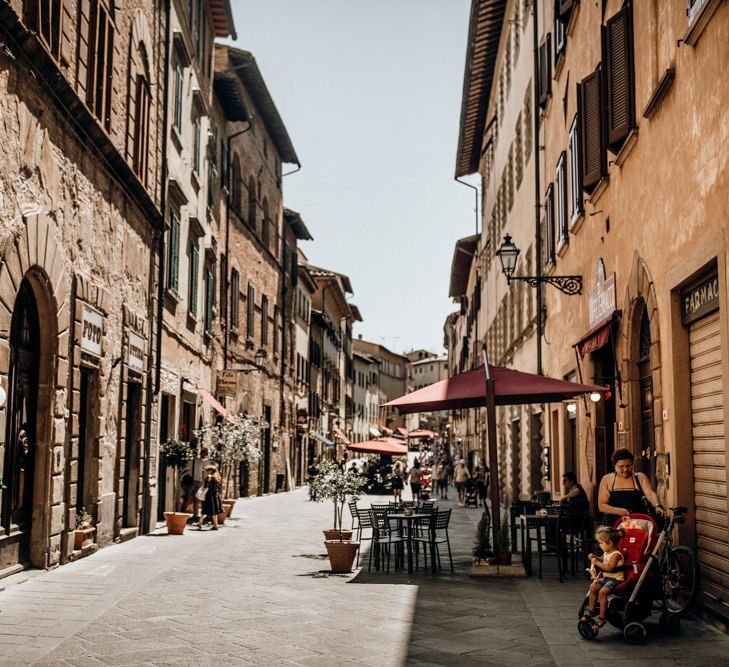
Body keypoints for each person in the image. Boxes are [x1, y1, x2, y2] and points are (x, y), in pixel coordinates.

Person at [598, 448, 663, 526]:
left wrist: (657, 506)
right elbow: (602, 506)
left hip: (639, 524)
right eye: (621, 466)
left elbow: (650, 494)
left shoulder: (640, 477)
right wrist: (620, 511)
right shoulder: (607, 480)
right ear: (614, 465)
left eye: (628, 465)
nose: (625, 469)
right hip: (614, 525)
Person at [583, 526, 625, 630]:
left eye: (601, 543)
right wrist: (594, 557)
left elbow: (609, 568)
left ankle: (602, 616)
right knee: (593, 587)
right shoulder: (607, 552)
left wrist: (597, 562)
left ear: (610, 543)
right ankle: (591, 609)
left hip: (616, 579)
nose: (599, 545)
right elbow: (601, 560)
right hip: (607, 578)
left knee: (602, 592)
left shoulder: (616, 555)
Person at [197, 465, 223, 530]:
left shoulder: (209, 477)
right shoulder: (217, 477)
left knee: (204, 509)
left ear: (211, 470)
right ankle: (215, 525)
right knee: (214, 511)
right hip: (215, 496)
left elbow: (205, 486)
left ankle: (200, 523)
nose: (207, 472)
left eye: (207, 470)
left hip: (208, 496)